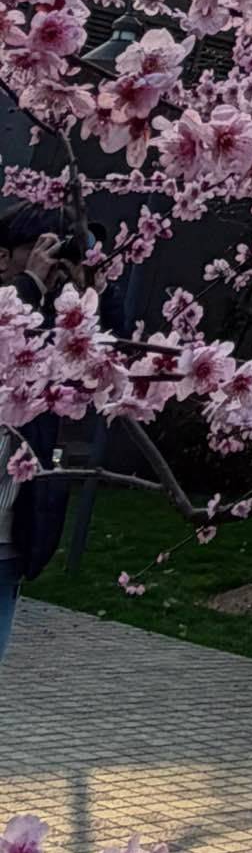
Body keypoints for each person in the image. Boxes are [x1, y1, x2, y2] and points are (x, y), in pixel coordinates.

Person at [0, 203, 81, 662]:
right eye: (40, 248)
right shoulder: (17, 308)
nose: (52, 262)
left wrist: (94, 293)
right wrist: (28, 284)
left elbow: (111, 366)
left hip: (10, 542)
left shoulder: (51, 326)